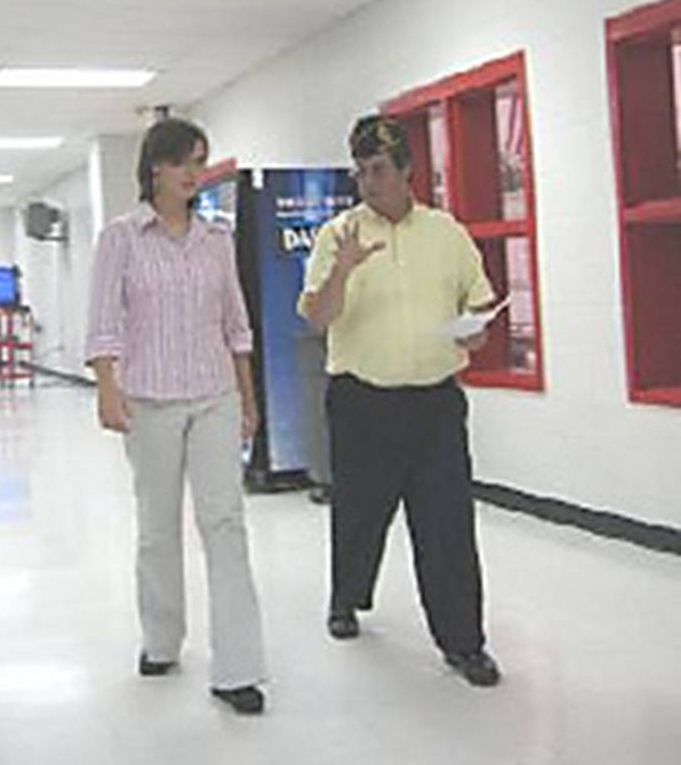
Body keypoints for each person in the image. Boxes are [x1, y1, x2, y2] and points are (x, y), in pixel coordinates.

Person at [297, 114, 502, 687]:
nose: (368, 182)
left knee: (446, 524)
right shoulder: (337, 235)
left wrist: (474, 332)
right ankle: (346, 597)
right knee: (360, 513)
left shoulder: (447, 234)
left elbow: (478, 306)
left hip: (435, 405)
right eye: (360, 172)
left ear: (407, 170)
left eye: (379, 170)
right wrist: (341, 272)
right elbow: (317, 319)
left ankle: (464, 643)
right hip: (363, 403)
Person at [85, 117, 267, 715]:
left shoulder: (216, 240)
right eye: (183, 161)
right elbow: (103, 324)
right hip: (149, 401)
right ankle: (161, 639)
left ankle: (238, 668)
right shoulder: (121, 238)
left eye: (200, 161)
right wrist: (107, 390)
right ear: (155, 168)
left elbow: (236, 326)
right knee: (158, 527)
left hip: (214, 396)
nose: (194, 173)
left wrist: (247, 398)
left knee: (226, 524)